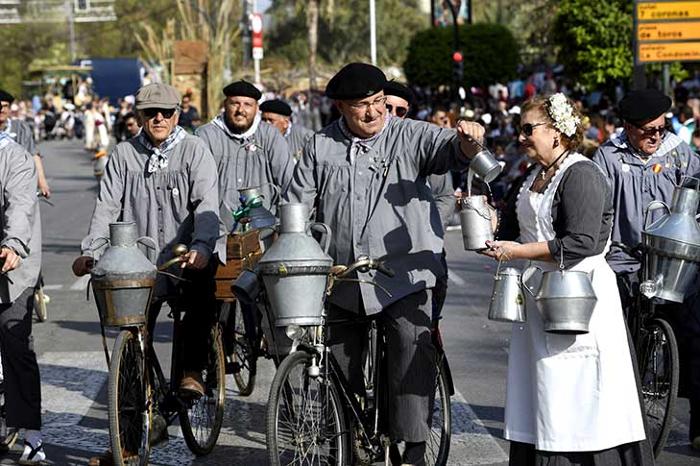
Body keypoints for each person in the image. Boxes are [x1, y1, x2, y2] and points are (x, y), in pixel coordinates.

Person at [287, 62, 483, 465]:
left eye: (378, 103)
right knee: (337, 362)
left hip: (405, 275)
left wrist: (468, 142)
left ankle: (412, 447)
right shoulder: (318, 146)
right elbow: (296, 207)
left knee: (412, 344)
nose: (374, 113)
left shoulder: (410, 135)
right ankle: (348, 438)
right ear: (341, 107)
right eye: (362, 106)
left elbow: (448, 150)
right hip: (342, 276)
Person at [486, 93, 652, 465]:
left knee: (580, 393)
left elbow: (581, 242)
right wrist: (489, 232)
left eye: (529, 129)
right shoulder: (531, 176)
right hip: (540, 298)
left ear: (557, 132)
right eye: (520, 129)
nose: (521, 137)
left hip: (579, 297)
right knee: (544, 393)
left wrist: (518, 252)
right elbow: (516, 229)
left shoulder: (581, 174)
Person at [71, 83, 220, 465]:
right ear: (139, 117)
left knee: (203, 296)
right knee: (131, 347)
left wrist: (203, 247)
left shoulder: (194, 150)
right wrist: (90, 252)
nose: (158, 119)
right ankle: (129, 442)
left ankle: (191, 370)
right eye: (150, 113)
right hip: (137, 263)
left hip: (185, 259)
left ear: (177, 115)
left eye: (166, 112)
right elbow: (106, 207)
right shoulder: (123, 154)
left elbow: (207, 204)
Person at [593, 89, 700, 448]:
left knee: (695, 329)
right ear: (627, 127)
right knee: (615, 333)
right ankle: (614, 416)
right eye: (647, 130)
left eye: (661, 128)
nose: (655, 136)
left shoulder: (680, 155)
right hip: (625, 258)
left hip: (673, 260)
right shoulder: (608, 157)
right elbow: (598, 211)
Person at [384, 80, 455, 321]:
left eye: (399, 111)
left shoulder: (422, 144)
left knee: (420, 331)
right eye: (387, 108)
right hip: (374, 256)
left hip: (419, 250)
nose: (392, 115)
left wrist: (430, 232)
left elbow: (445, 197)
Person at [0, 131, 45, 464]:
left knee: (16, 346)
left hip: (11, 268)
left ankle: (32, 434)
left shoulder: (13, 156)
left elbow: (21, 206)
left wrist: (13, 243)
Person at [196, 80, 294, 231]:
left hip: (264, 233)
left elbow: (288, 183)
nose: (240, 110)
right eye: (235, 103)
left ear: (256, 108)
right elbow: (198, 189)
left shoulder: (270, 135)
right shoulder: (206, 136)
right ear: (225, 105)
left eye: (247, 105)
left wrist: (283, 227)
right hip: (218, 234)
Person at [0, 90, 51, 197]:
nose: (2, 110)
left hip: (17, 184)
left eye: (5, 106)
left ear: (9, 109)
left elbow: (33, 154)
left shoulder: (20, 128)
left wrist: (42, 182)